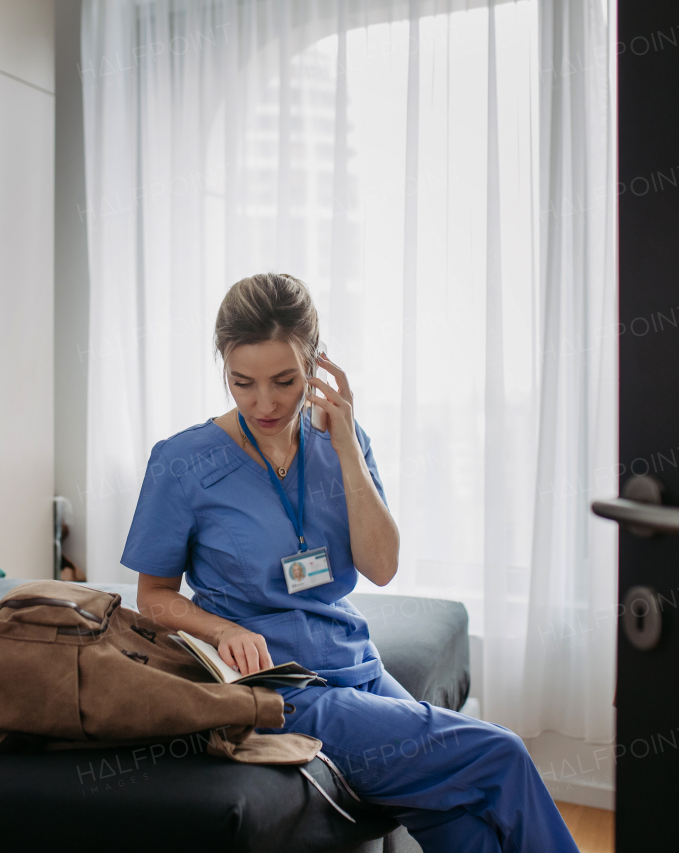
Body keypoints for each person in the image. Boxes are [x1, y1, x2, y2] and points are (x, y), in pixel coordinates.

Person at [121, 273, 578, 853]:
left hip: (355, 662)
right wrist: (223, 629)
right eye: (243, 383)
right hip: (279, 685)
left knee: (464, 826)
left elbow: (381, 567)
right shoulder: (182, 462)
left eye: (285, 381)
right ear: (224, 369)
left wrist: (345, 449)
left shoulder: (341, 439)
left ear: (316, 366)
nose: (265, 403)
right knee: (502, 753)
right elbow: (153, 596)